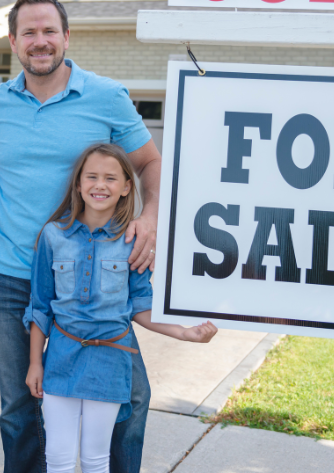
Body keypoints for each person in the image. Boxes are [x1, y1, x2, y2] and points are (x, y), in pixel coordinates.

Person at [0, 0, 162, 473]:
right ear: (14, 43)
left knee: (129, 398)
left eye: (49, 31)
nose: (40, 41)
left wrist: (150, 216)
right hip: (11, 274)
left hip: (92, 275)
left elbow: (148, 162)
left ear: (66, 37)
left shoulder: (106, 96)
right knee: (20, 405)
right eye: (29, 33)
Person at [24, 143, 217, 473]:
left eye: (111, 178)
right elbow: (40, 306)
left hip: (110, 360)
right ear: (78, 184)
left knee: (96, 457)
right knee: (57, 456)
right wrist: (34, 363)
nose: (100, 185)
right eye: (92, 177)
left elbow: (140, 304)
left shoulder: (132, 239)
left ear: (127, 186)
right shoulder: (54, 235)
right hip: (60, 357)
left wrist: (184, 332)